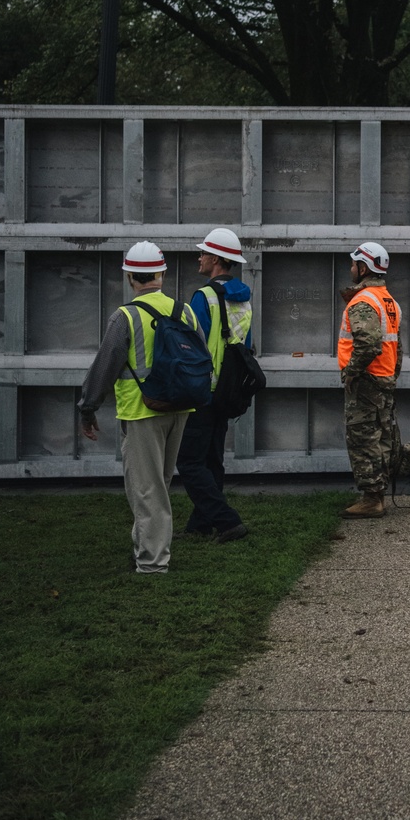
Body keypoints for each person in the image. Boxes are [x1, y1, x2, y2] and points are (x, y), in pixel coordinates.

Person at [78, 241, 201, 574]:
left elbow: (104, 367)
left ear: (131, 276)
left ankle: (152, 563)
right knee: (157, 484)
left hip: (142, 412)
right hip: (180, 408)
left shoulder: (125, 317)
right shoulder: (184, 311)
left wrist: (87, 408)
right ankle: (144, 548)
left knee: (147, 490)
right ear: (161, 273)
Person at [175, 227, 253, 544]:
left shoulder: (203, 296)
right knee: (211, 460)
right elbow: (245, 345)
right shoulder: (245, 297)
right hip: (228, 391)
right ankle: (200, 524)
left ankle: (226, 521)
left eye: (204, 253)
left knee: (189, 462)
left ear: (217, 259)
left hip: (203, 390)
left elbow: (192, 348)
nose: (200, 257)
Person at [338, 241, 402, 519]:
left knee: (362, 437)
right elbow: (396, 347)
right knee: (382, 437)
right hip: (383, 378)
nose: (351, 268)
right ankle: (377, 495)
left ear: (363, 268)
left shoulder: (363, 301)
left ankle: (371, 499)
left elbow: (369, 342)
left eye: (354, 264)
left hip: (366, 381)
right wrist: (391, 374)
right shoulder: (388, 301)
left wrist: (351, 371)